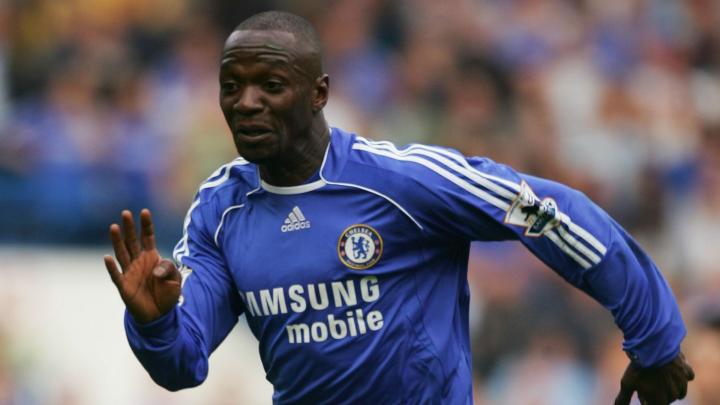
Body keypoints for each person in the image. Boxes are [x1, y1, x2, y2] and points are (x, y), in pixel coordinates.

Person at [104, 11, 694, 404]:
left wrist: (654, 337)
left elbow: (550, 213)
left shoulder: (402, 182)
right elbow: (182, 364)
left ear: (319, 93)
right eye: (232, 86)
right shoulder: (220, 210)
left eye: (271, 86)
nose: (247, 103)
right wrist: (154, 323)